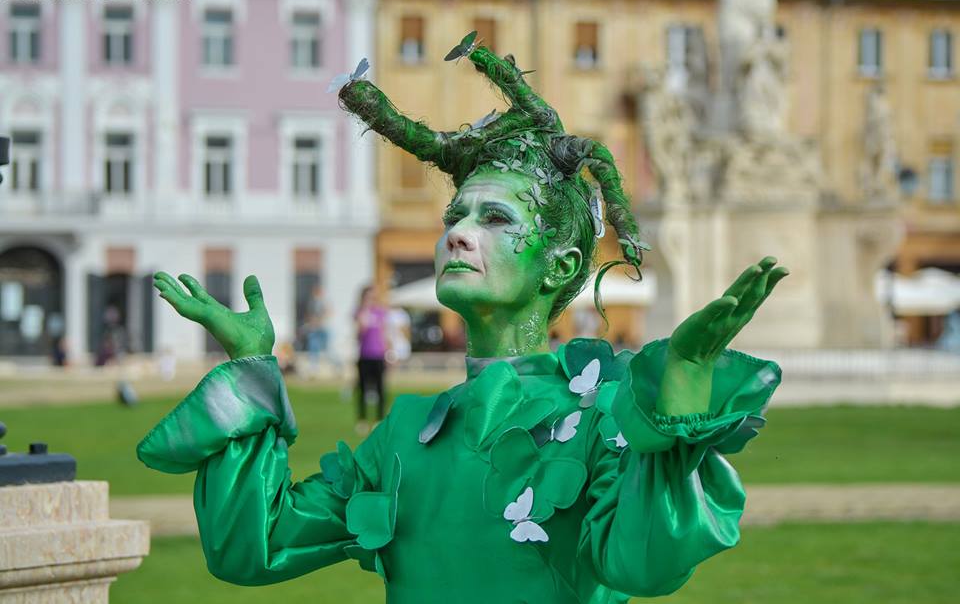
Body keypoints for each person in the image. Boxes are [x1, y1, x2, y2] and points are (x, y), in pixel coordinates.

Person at [138, 37, 788, 602]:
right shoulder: (403, 437)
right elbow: (256, 546)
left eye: (495, 218)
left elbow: (644, 564)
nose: (460, 234)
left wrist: (679, 394)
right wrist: (251, 368)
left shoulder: (600, 418)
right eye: (455, 217)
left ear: (559, 267)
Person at [354, 285, 389, 434]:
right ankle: (362, 420)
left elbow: (384, 333)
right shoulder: (360, 312)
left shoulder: (381, 312)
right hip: (364, 355)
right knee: (362, 389)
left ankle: (378, 419)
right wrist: (364, 315)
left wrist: (388, 352)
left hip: (379, 355)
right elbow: (359, 333)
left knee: (381, 389)